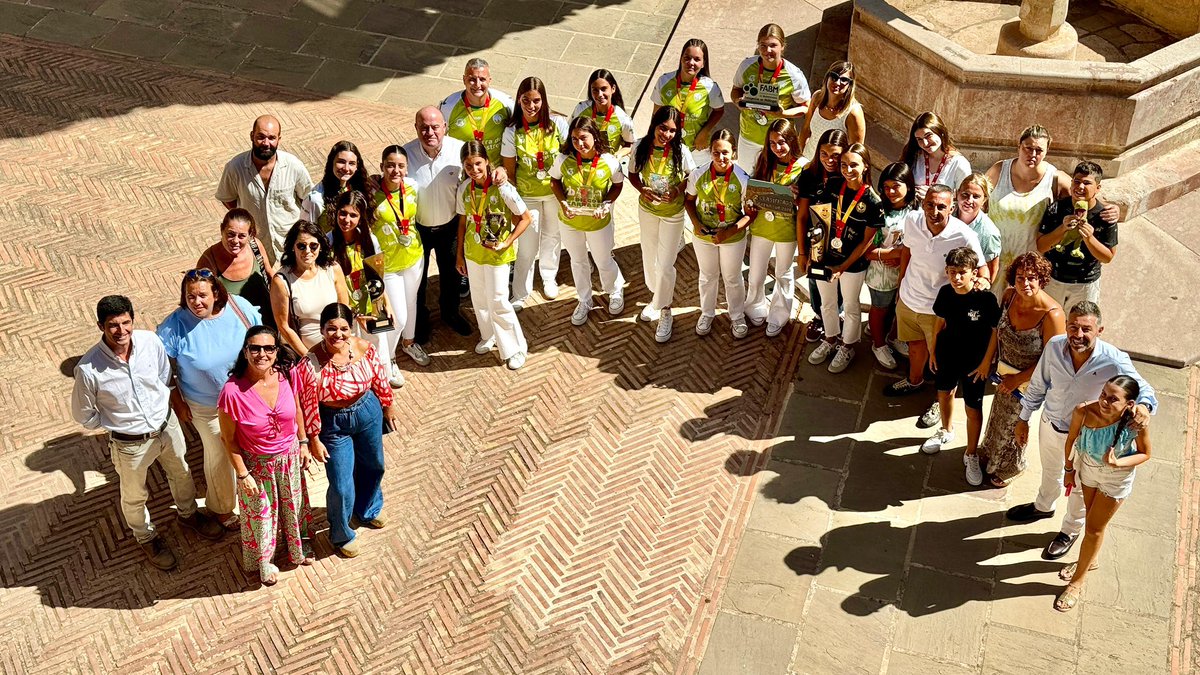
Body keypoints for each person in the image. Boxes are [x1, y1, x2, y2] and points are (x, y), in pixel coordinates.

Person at [71, 296, 224, 571]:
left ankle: (188, 515)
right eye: (113, 325)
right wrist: (117, 423)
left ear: (133, 319)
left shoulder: (150, 342)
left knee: (182, 473)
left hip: (167, 426)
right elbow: (84, 415)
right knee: (133, 494)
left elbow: (165, 376)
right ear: (100, 326)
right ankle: (146, 537)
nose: (121, 331)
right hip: (130, 444)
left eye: (126, 323)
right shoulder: (88, 369)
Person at [1007, 302, 1156, 561]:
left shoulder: (1114, 359)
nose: (1078, 334)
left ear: (1099, 330)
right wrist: (1023, 418)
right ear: (1066, 326)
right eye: (1073, 327)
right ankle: (1043, 506)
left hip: (1085, 437)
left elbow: (1145, 391)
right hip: (1050, 424)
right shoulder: (1054, 346)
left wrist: (1144, 406)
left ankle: (1069, 530)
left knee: (1077, 486)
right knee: (1051, 471)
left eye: (1086, 329)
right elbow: (1038, 385)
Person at [156, 269, 260, 531]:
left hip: (247, 396)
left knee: (254, 444)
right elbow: (162, 367)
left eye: (202, 295)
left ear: (216, 294)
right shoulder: (174, 325)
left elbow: (261, 340)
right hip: (207, 406)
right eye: (190, 296)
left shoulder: (239, 308)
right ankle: (221, 508)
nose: (196, 302)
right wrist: (176, 399)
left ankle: (259, 493)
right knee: (221, 454)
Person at [295, 303, 398, 558]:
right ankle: (341, 533)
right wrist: (313, 438)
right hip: (333, 423)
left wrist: (387, 406)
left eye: (343, 328)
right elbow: (307, 403)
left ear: (351, 329)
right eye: (331, 329)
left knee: (374, 464)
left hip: (367, 410)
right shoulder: (310, 364)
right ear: (321, 329)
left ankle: (368, 508)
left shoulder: (364, 348)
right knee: (341, 483)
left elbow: (379, 378)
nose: (338, 335)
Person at [218, 326, 316, 586]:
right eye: (255, 348)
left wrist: (303, 442)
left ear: (276, 350)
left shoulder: (286, 374)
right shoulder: (232, 392)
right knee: (262, 517)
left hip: (289, 457)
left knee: (293, 507)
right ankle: (264, 561)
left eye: (268, 348)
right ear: (245, 351)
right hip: (256, 465)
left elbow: (296, 408)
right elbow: (228, 439)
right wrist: (243, 474)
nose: (262, 353)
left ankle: (297, 548)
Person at [1054, 375, 1152, 611]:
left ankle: (1077, 582)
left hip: (1115, 478)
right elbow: (1071, 440)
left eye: (1113, 399)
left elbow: (1145, 453)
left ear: (1129, 405)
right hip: (1088, 469)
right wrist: (1068, 470)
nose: (1104, 401)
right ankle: (1091, 560)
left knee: (1094, 528)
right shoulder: (1084, 411)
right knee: (1091, 520)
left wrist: (1118, 463)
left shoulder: (1135, 424)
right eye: (1103, 394)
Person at [984, 125, 1119, 295]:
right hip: (993, 254)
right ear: (1018, 146)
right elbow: (975, 195)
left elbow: (1083, 195)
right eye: (1028, 148)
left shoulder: (1054, 178)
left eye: (1039, 150)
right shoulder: (999, 170)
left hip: (1028, 263)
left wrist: (1110, 209)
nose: (1032, 154)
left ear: (1047, 151)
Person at [974, 252, 1066, 487]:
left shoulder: (1052, 315)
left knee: (1016, 422)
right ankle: (991, 453)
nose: (1025, 283)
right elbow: (997, 330)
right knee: (998, 415)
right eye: (1020, 277)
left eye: (1032, 278)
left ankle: (1011, 466)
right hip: (1004, 372)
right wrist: (988, 361)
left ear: (1042, 279)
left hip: (1030, 381)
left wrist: (1018, 379)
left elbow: (1052, 360)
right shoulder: (1008, 296)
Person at [884, 185, 986, 399]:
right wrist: (901, 285)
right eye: (930, 205)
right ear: (923, 205)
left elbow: (982, 270)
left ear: (952, 208)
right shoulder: (912, 221)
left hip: (940, 311)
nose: (934, 211)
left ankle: (941, 401)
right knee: (914, 347)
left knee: (943, 358)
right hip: (909, 300)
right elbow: (908, 252)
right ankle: (914, 381)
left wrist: (979, 286)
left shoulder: (964, 236)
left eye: (942, 206)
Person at [921, 248, 1001, 474]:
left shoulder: (985, 299)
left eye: (962, 272)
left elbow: (996, 331)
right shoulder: (946, 293)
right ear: (946, 271)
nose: (956, 278)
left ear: (974, 273)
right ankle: (946, 431)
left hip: (975, 361)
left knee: (973, 408)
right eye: (952, 271)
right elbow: (939, 320)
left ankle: (971, 453)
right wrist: (933, 349)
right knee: (944, 393)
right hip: (948, 353)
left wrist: (987, 362)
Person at [455, 141, 533, 369]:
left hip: (498, 255)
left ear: (487, 161)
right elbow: (462, 222)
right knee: (479, 300)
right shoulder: (464, 189)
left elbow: (525, 218)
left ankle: (515, 348)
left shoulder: (503, 188)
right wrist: (459, 255)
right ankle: (488, 335)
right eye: (468, 166)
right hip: (473, 252)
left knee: (498, 300)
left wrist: (508, 242)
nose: (474, 170)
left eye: (478, 163)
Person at [805, 143, 882, 373]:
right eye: (844, 164)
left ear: (865, 166)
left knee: (850, 305)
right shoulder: (833, 185)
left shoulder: (872, 202)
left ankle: (847, 346)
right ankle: (830, 339)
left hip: (852, 264)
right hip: (826, 258)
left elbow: (866, 242)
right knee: (826, 302)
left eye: (853, 165)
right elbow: (820, 220)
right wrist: (813, 254)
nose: (847, 169)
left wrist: (843, 266)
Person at [403, 107, 475, 343]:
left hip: (450, 226)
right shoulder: (405, 154)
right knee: (418, 278)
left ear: (445, 127)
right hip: (418, 229)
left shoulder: (458, 151)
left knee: (452, 275)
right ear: (416, 128)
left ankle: (450, 313)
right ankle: (421, 320)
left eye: (435, 126)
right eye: (424, 127)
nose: (430, 132)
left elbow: (480, 171)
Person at [550, 116, 626, 326]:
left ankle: (614, 290)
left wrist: (607, 204)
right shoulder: (564, 159)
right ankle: (585, 299)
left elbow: (618, 185)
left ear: (594, 136)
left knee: (603, 261)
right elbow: (554, 181)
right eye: (574, 139)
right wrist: (563, 202)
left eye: (583, 138)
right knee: (578, 261)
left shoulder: (609, 161)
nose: (579, 144)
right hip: (570, 222)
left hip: (597, 223)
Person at [627, 106, 695, 343]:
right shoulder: (640, 146)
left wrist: (677, 189)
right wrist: (641, 189)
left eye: (672, 131)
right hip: (647, 211)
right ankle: (656, 298)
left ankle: (665, 310)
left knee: (666, 265)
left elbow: (692, 176)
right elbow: (633, 174)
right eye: (663, 128)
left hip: (673, 214)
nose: (666, 134)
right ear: (654, 125)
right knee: (649, 256)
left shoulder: (682, 152)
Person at [501, 76, 569, 309]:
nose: (532, 106)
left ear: (544, 100)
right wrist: (515, 206)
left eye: (537, 101)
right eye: (526, 100)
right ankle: (520, 292)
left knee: (552, 237)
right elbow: (510, 172)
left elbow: (568, 159)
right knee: (528, 245)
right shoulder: (512, 132)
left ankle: (549, 278)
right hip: (528, 194)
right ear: (519, 101)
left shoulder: (558, 125)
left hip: (553, 192)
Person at [328, 190, 405, 389]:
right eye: (343, 213)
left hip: (371, 309)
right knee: (353, 356)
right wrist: (354, 313)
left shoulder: (370, 240)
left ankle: (382, 393)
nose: (346, 219)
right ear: (335, 213)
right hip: (345, 313)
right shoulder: (327, 243)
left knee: (377, 351)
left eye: (353, 215)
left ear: (361, 217)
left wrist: (386, 303)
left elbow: (376, 276)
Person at [216, 115, 313, 264]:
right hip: (254, 247)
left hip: (290, 245)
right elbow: (228, 199)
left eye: (271, 138)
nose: (266, 143)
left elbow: (308, 199)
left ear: (279, 139)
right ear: (251, 136)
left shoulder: (294, 166)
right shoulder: (235, 167)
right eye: (260, 137)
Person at [685, 129, 753, 338]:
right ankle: (707, 313)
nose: (721, 158)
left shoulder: (742, 178)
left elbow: (751, 213)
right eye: (716, 153)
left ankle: (737, 315)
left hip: (732, 237)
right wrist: (696, 224)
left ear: (734, 153)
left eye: (725, 152)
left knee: (732, 277)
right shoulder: (698, 173)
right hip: (704, 236)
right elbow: (688, 200)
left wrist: (729, 232)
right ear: (710, 152)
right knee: (707, 276)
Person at [371, 145, 430, 370]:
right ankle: (389, 359)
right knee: (397, 317)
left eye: (400, 166)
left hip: (414, 256)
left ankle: (409, 343)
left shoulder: (413, 187)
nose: (395, 170)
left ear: (407, 168)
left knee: (411, 302)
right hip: (388, 265)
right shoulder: (371, 194)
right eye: (390, 165)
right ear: (382, 167)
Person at [745, 118, 804, 337]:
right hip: (762, 226)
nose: (777, 148)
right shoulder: (763, 159)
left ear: (791, 141)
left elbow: (807, 202)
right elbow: (753, 186)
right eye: (772, 143)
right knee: (756, 273)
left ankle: (779, 315)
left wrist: (797, 197)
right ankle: (754, 307)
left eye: (781, 142)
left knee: (783, 274)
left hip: (786, 230)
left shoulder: (803, 166)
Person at [1036, 161, 1117, 309]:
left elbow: (1107, 257)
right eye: (1077, 181)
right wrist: (1062, 229)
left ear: (1097, 188)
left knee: (1080, 324)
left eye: (1087, 183)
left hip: (1085, 283)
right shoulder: (1056, 208)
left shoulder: (1105, 216)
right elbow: (1041, 246)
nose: (1080, 187)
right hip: (1053, 280)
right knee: (1050, 322)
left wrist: (1089, 238)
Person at [731, 23, 810, 173]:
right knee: (747, 180)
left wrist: (783, 114)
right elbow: (735, 90)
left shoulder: (794, 75)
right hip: (749, 138)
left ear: (782, 46)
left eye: (773, 45)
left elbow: (806, 107)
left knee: (775, 185)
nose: (768, 50)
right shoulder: (747, 65)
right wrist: (738, 102)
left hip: (779, 142)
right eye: (763, 45)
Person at [796, 129, 850, 344]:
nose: (830, 160)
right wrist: (802, 252)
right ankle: (819, 317)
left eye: (836, 155)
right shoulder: (810, 176)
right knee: (816, 280)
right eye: (824, 154)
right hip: (816, 241)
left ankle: (837, 315)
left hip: (843, 241)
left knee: (839, 282)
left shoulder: (851, 175)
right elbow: (801, 216)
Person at [270, 220, 349, 355]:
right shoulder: (281, 281)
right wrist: (308, 358)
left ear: (321, 247)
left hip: (337, 347)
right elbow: (284, 326)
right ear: (292, 247)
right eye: (301, 246)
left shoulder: (333, 269)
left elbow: (344, 311)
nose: (308, 251)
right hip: (305, 353)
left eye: (313, 246)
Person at [864, 162, 915, 369]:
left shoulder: (916, 209)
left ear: (908, 186)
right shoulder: (878, 211)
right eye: (886, 187)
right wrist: (893, 254)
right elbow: (867, 250)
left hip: (907, 272)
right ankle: (879, 344)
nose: (891, 192)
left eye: (896, 186)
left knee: (899, 308)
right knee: (879, 308)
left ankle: (894, 337)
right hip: (881, 273)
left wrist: (903, 257)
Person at [650, 38, 725, 164]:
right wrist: (653, 140)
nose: (691, 63)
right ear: (681, 59)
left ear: (703, 63)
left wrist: (704, 133)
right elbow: (656, 114)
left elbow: (719, 110)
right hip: (668, 145)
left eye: (697, 59)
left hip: (697, 149)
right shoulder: (664, 81)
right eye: (687, 58)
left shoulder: (710, 87)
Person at [196, 208, 276, 325]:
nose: (235, 241)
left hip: (267, 322)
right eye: (231, 234)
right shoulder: (208, 261)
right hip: (234, 327)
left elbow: (269, 274)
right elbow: (203, 301)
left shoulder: (255, 246)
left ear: (250, 235)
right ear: (222, 230)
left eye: (242, 236)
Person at [440, 58, 514, 166]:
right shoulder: (448, 106)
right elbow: (438, 139)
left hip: (496, 173)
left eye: (482, 79)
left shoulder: (505, 103)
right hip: (462, 172)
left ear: (489, 80)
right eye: (472, 79)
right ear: (464, 80)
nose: (477, 85)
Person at [797, 61, 865, 163]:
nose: (837, 83)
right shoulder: (817, 98)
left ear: (850, 84)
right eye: (834, 77)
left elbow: (855, 152)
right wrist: (799, 156)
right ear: (827, 78)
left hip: (831, 168)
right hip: (808, 160)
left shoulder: (853, 112)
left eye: (844, 80)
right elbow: (805, 129)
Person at [899, 112, 972, 203]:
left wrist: (934, 194)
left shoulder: (959, 163)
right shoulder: (914, 156)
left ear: (940, 132)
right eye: (919, 139)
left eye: (928, 136)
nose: (925, 143)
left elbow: (966, 196)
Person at [302, 140, 372, 233]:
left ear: (357, 166)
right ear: (331, 163)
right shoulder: (315, 199)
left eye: (351, 163)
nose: (346, 168)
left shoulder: (359, 187)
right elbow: (306, 234)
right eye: (341, 162)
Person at [571, 69, 637, 161]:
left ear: (613, 89)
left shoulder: (623, 118)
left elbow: (630, 144)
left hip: (606, 165)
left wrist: (618, 155)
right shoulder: (581, 109)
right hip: (581, 161)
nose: (599, 94)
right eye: (595, 90)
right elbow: (570, 133)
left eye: (603, 89)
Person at [955, 174, 1002, 281]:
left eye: (976, 196)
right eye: (965, 194)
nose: (969, 200)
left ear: (984, 199)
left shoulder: (989, 233)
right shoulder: (946, 216)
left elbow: (991, 271)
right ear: (957, 193)